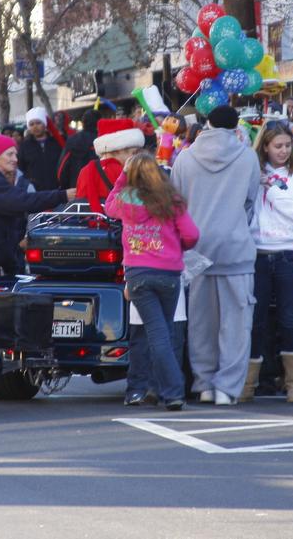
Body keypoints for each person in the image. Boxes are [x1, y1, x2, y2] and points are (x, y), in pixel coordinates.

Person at [171, 105, 260, 405]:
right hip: (236, 247)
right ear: (237, 126)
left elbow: (177, 202)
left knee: (200, 322)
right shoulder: (248, 156)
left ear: (207, 123)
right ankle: (227, 387)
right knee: (236, 323)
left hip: (196, 248)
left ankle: (204, 383)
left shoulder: (185, 157)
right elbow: (251, 200)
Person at [105, 152, 199, 411]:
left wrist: (123, 177)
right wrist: (177, 247)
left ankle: (171, 392)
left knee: (157, 334)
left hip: (138, 274)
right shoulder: (172, 200)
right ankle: (171, 391)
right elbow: (191, 234)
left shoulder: (125, 199)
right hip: (169, 273)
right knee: (164, 333)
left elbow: (107, 205)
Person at [242, 121, 293, 404]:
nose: (284, 151)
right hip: (258, 253)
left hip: (291, 253)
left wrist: (274, 192)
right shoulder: (253, 173)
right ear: (264, 146)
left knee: (290, 319)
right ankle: (248, 384)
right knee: (254, 319)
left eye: (288, 145)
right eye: (278, 146)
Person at [0, 134, 75, 291]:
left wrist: (12, 267)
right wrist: (63, 195)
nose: (15, 159)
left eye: (15, 154)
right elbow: (23, 201)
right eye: (9, 154)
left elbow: (7, 227)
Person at [75, 118, 144, 213]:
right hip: (115, 225)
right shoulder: (124, 172)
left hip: (87, 224)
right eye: (134, 153)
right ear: (117, 149)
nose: (136, 157)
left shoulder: (85, 170)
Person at [18, 107, 63, 191]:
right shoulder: (24, 146)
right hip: (34, 192)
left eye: (38, 123)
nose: (35, 127)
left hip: (57, 189)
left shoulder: (57, 143)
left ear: (44, 124)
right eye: (31, 124)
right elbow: (21, 168)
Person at [57, 109, 101, 190]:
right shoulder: (103, 140)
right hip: (100, 188)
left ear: (83, 122)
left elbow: (62, 167)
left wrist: (64, 186)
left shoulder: (72, 140)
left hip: (77, 187)